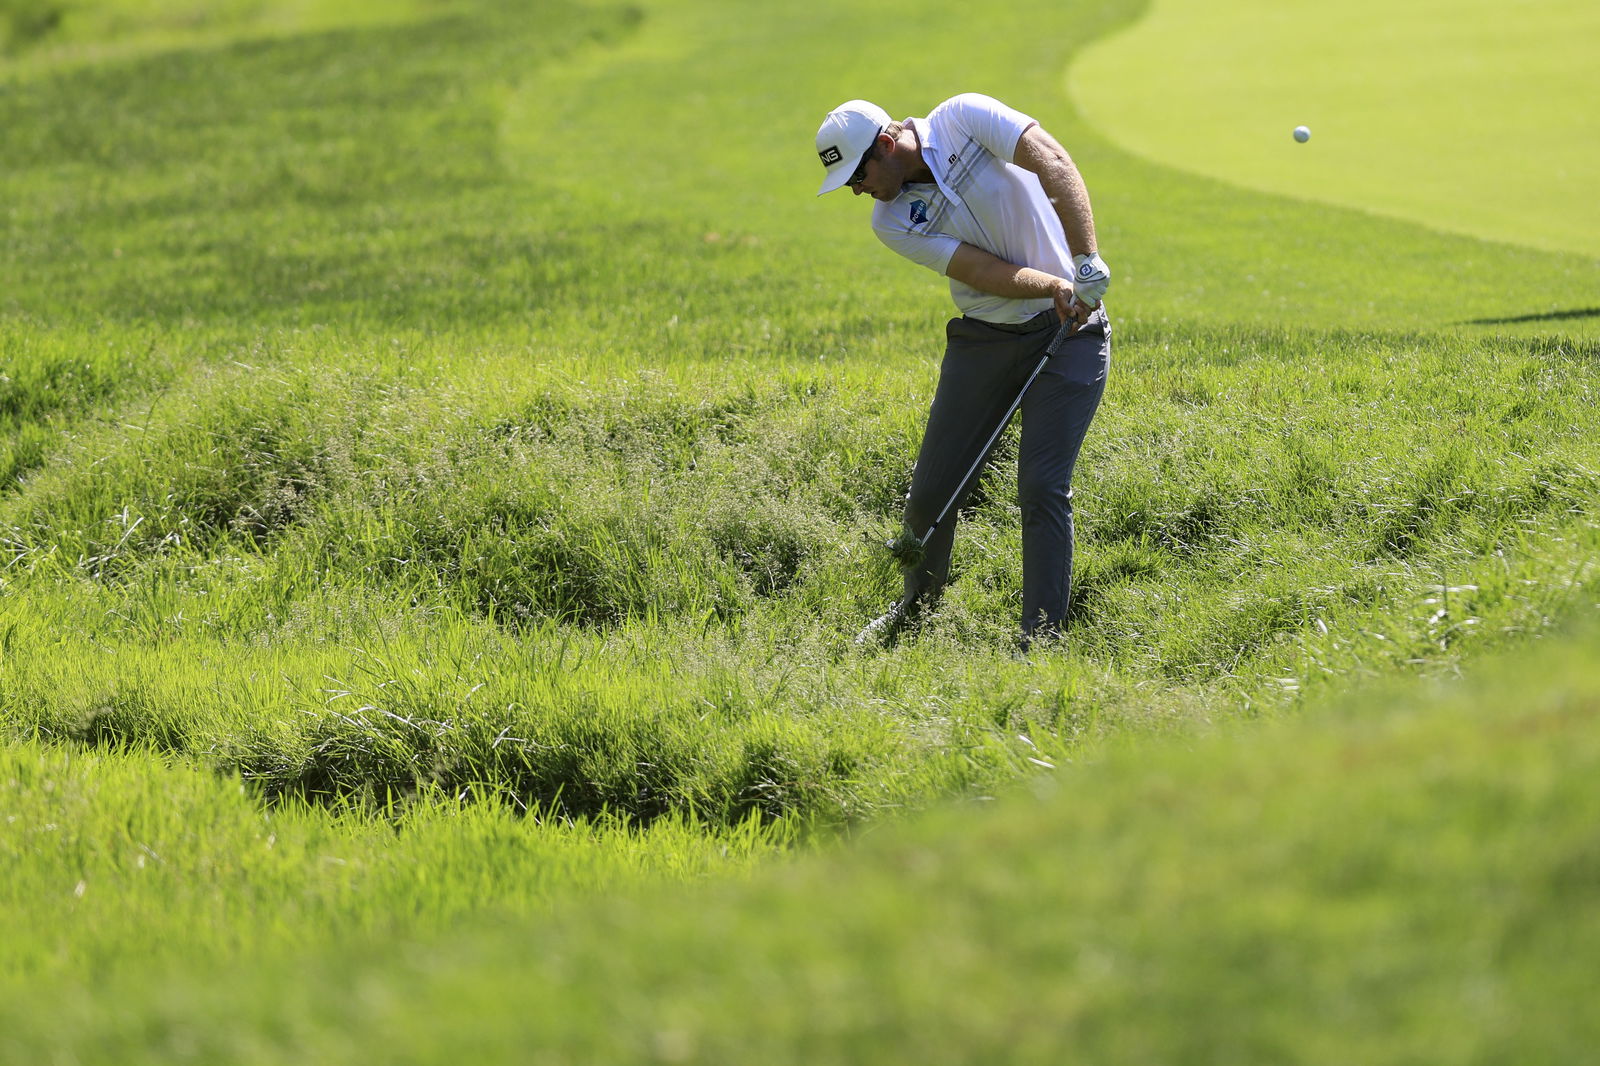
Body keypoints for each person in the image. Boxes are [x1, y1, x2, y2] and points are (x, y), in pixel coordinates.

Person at [814, 94, 1112, 650]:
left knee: (1042, 487)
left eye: (857, 174)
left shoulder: (963, 118)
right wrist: (1054, 286)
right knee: (930, 494)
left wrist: (1085, 260)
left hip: (1070, 334)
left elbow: (1053, 161)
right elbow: (980, 270)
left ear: (885, 143)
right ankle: (916, 609)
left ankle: (1040, 640)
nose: (856, 190)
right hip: (985, 340)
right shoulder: (892, 219)